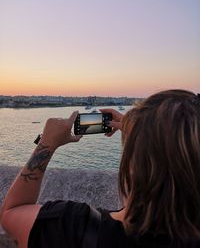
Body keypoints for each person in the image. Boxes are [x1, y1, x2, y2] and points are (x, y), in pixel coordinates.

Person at [0, 89, 200, 248]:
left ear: (134, 163)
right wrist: (142, 134)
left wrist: (46, 144)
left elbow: (12, 211)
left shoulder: (72, 226)